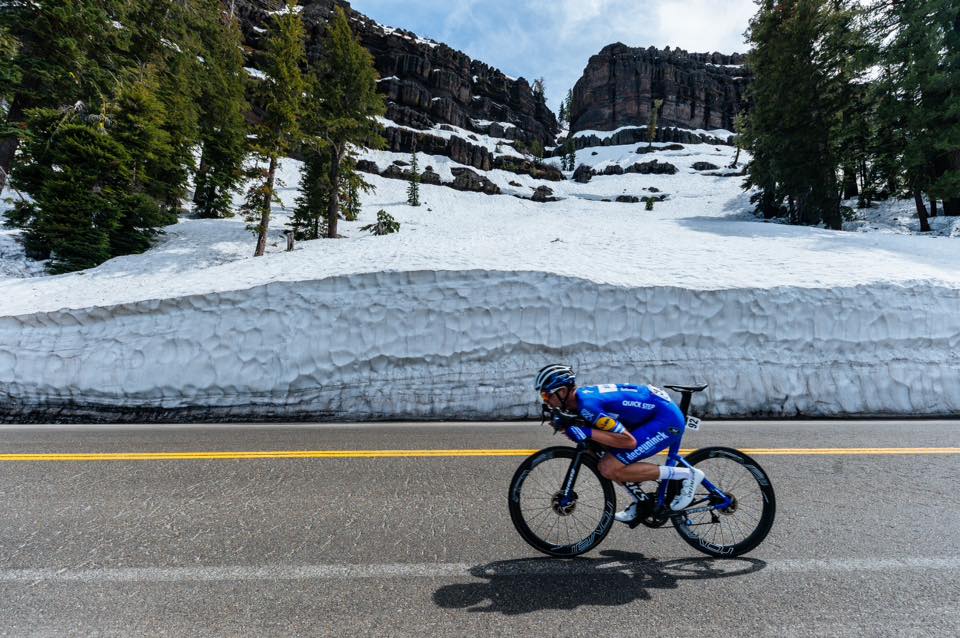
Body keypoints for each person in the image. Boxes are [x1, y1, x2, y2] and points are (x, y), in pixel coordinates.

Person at [534, 364, 704, 523]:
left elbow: (628, 441)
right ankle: (642, 500)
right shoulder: (579, 402)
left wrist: (585, 432)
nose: (545, 401)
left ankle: (688, 474)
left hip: (666, 419)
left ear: (562, 392)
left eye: (547, 395)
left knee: (608, 467)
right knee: (597, 450)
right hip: (651, 412)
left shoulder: (587, 406)